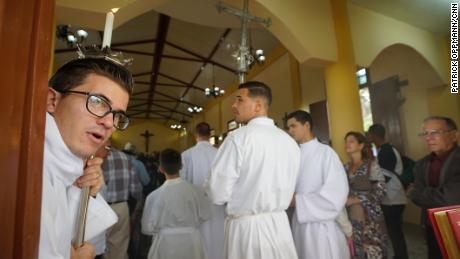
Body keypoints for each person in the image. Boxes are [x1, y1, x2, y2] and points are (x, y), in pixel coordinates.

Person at [41, 57, 133, 259]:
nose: (109, 122)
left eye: (118, 115)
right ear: (52, 100)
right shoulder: (28, 169)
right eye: (98, 102)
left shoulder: (65, 167)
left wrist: (83, 191)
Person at [206, 81, 300, 259]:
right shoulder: (289, 141)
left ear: (258, 106)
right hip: (280, 226)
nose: (234, 105)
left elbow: (217, 193)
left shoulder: (238, 138)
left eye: (239, 100)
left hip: (247, 230)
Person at [286, 110, 350, 259]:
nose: (290, 131)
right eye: (288, 128)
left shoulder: (326, 153)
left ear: (307, 125)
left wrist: (297, 201)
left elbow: (336, 194)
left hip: (321, 227)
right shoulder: (292, 155)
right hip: (299, 224)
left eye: (293, 126)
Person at [141, 148, 210, 259]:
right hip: (191, 242)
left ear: (161, 169)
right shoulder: (196, 191)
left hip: (165, 244)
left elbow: (147, 228)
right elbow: (205, 214)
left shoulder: (153, 196)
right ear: (181, 166)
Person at [407, 116, 460, 259]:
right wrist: (421, 194)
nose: (428, 138)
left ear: (454, 135)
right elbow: (417, 197)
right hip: (433, 226)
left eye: (435, 132)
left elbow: (451, 198)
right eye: (425, 133)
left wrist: (416, 192)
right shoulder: (421, 164)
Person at [181, 122, 225, 259]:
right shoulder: (220, 154)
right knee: (218, 240)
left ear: (196, 135)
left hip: (196, 206)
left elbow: (183, 182)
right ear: (210, 134)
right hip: (217, 206)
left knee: (198, 242)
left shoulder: (187, 155)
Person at [367, 124, 408, 259]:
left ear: (373, 135)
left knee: (395, 232)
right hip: (393, 198)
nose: (368, 137)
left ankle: (401, 256)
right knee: (395, 232)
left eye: (369, 134)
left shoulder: (386, 151)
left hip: (393, 198)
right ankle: (400, 255)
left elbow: (383, 178)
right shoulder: (383, 150)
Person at [344, 132, 387, 259]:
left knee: (373, 252)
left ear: (361, 145)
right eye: (345, 142)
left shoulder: (371, 165)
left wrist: (355, 199)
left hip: (371, 220)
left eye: (351, 141)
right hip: (352, 220)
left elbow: (381, 191)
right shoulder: (344, 168)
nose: (347, 144)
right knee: (357, 253)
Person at [97, 142, 142, 259]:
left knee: (97, 249)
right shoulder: (125, 157)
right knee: (120, 248)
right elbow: (135, 188)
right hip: (122, 207)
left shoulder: (96, 155)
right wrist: (137, 205)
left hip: (101, 208)